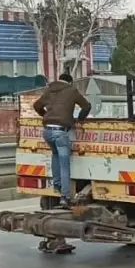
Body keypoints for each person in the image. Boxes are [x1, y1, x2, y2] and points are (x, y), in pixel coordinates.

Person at [32, 72, 91, 209]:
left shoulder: (48, 90)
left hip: (47, 131)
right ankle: (64, 197)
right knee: (65, 164)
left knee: (55, 155)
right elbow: (86, 106)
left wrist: (46, 115)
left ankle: (57, 185)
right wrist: (79, 120)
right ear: (70, 82)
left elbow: (36, 106)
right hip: (61, 131)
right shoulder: (72, 90)